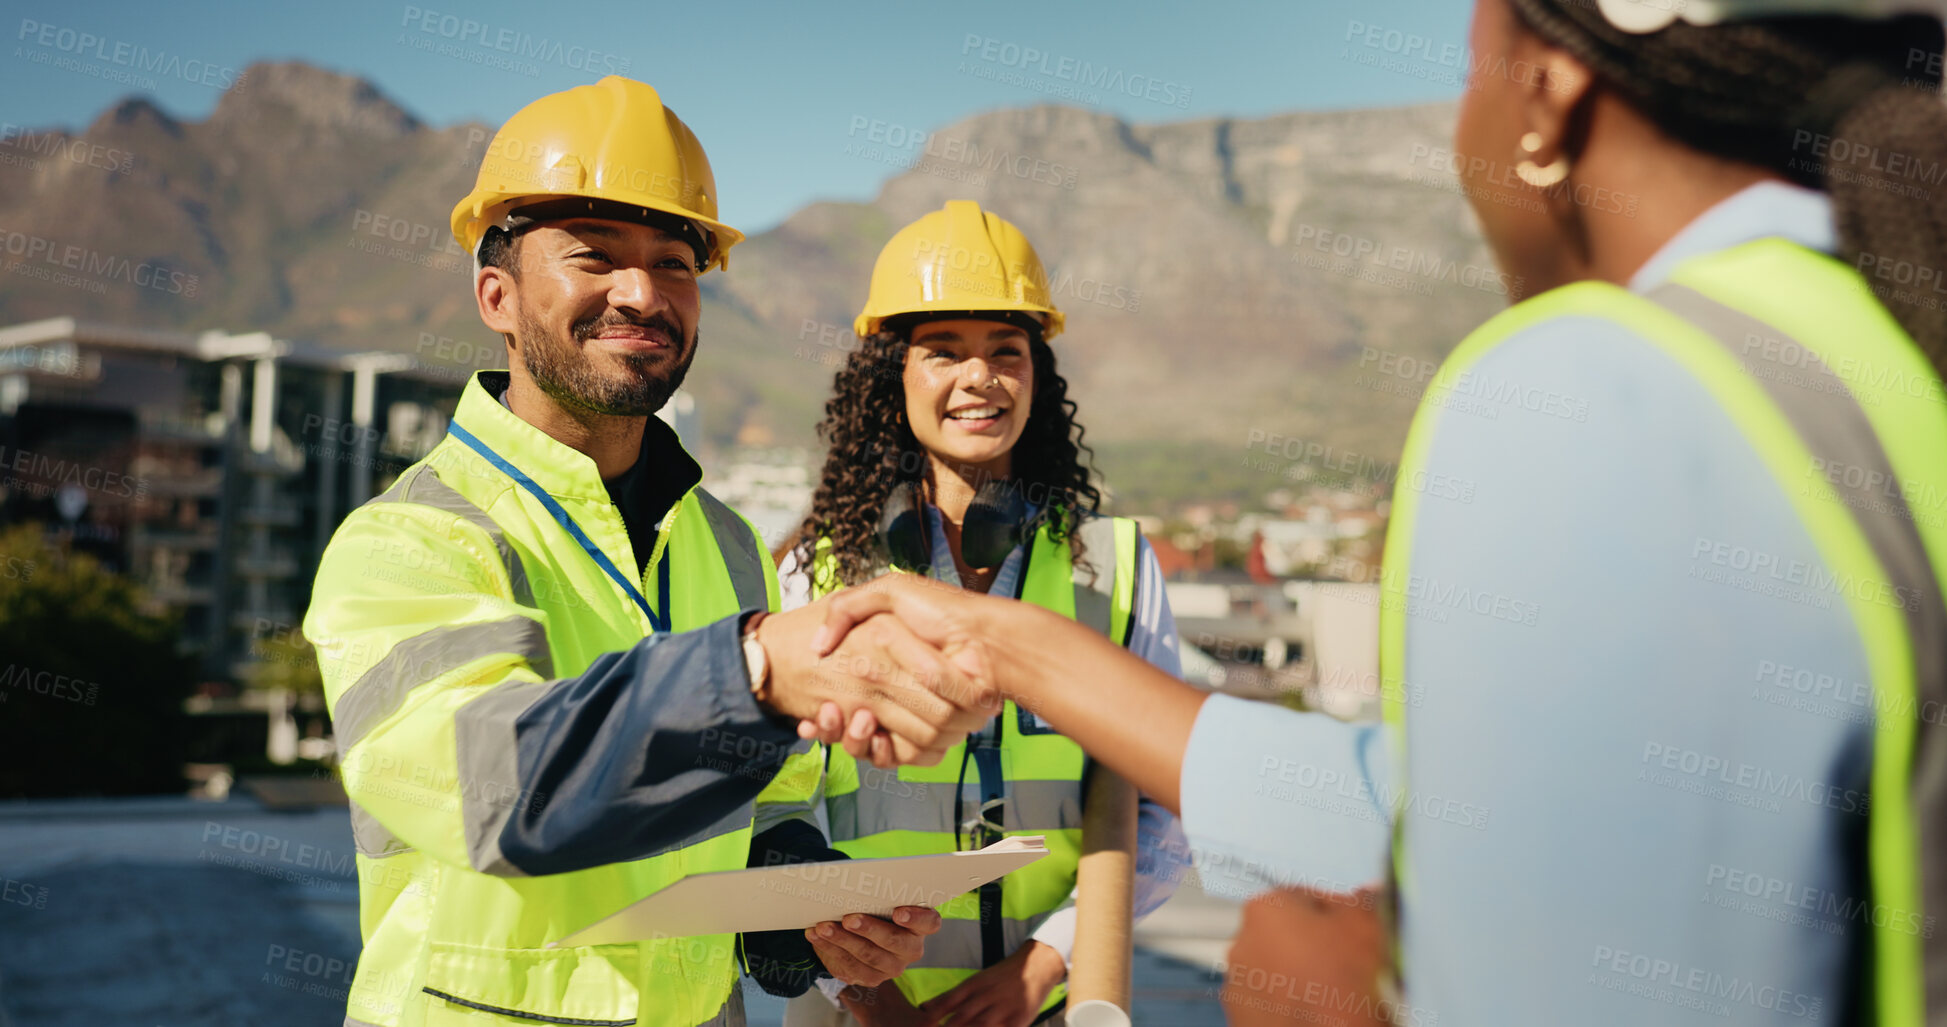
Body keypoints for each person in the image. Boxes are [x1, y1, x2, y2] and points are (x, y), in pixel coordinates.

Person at [797, 2, 1947, 1023]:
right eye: (945, 350)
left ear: (1546, 90)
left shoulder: (1593, 385)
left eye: (1467, 64)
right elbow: (1464, 806)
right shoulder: (1881, 340)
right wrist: (1011, 645)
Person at [304, 77, 1000, 1027]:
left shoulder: (725, 542)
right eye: (594, 257)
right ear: (496, 296)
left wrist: (805, 903)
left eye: (674, 263)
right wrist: (752, 669)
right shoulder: (411, 538)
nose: (641, 294)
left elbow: (765, 799)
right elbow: (487, 790)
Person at [773, 201, 1190, 1027]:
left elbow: (1159, 817)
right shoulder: (815, 572)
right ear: (893, 375)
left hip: (1052, 1005)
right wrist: (865, 994)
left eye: (1007, 351)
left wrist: (1045, 964)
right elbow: (773, 810)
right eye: (943, 353)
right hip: (858, 1012)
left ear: (1038, 374)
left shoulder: (1115, 568)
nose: (980, 378)